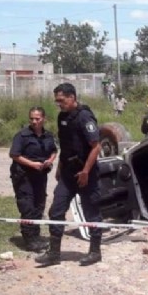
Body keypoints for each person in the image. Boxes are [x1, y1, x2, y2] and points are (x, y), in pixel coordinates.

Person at [36, 82, 103, 266]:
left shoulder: (85, 117)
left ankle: (95, 251)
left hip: (86, 173)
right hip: (68, 172)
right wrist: (59, 168)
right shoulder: (62, 117)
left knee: (92, 212)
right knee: (56, 209)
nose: (59, 104)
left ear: (72, 97)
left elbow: (96, 147)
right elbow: (65, 147)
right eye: (57, 101)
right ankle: (54, 253)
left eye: (61, 100)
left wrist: (86, 172)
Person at [9, 107, 58, 252]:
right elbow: (14, 155)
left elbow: (54, 150)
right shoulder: (22, 136)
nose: (34, 121)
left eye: (37, 119)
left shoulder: (48, 135)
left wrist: (50, 160)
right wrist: (32, 164)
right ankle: (29, 240)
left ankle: (36, 236)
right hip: (24, 176)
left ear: (44, 119)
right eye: (32, 118)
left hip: (40, 175)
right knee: (27, 206)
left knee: (39, 205)